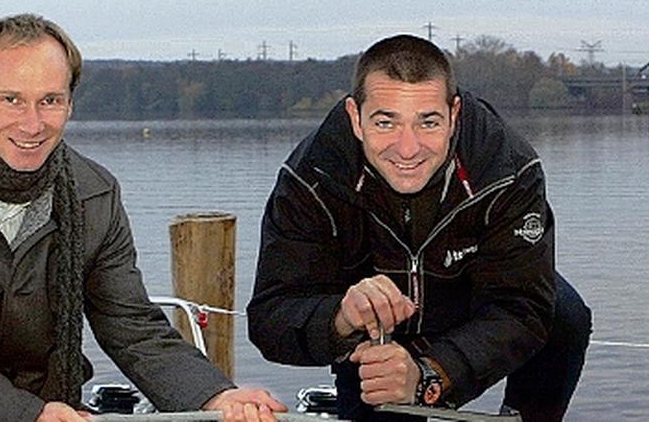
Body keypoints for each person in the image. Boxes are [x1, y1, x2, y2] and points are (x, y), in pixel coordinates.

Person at [0, 13, 285, 422]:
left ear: (70, 104)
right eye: (11, 100)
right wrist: (24, 413)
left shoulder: (94, 194)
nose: (33, 123)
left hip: (51, 410)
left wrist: (214, 395)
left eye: (50, 101)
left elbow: (130, 324)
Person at [246, 34, 591, 422]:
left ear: (454, 114)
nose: (407, 148)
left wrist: (431, 375)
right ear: (355, 118)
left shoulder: (507, 168)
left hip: (467, 305)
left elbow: (524, 306)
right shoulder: (312, 178)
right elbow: (270, 317)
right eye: (385, 122)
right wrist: (339, 319)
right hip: (374, 337)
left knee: (564, 312)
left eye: (428, 122)